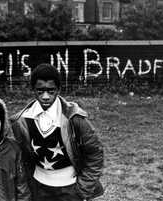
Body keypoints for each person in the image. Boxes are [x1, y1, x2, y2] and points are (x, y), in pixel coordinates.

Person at [10, 63, 104, 201]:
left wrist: (83, 188)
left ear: (59, 89)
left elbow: (95, 153)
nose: (46, 96)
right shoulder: (21, 121)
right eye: (40, 91)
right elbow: (22, 159)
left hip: (70, 188)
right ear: (33, 89)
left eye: (51, 90)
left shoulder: (73, 118)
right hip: (38, 187)